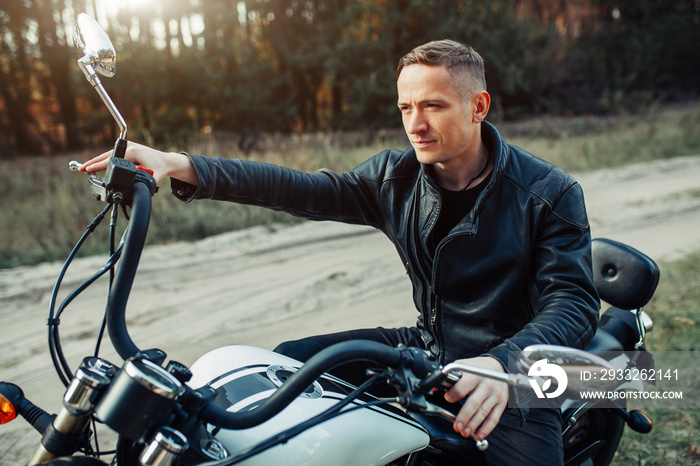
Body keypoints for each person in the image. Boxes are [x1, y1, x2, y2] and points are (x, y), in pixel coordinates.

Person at [81, 39, 599, 464]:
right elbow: (300, 188)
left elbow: (574, 304)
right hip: (428, 347)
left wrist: (503, 363)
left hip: (513, 370)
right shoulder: (395, 178)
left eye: (433, 106)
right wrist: (178, 164)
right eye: (405, 107)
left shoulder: (547, 193)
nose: (415, 124)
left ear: (478, 106)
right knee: (287, 370)